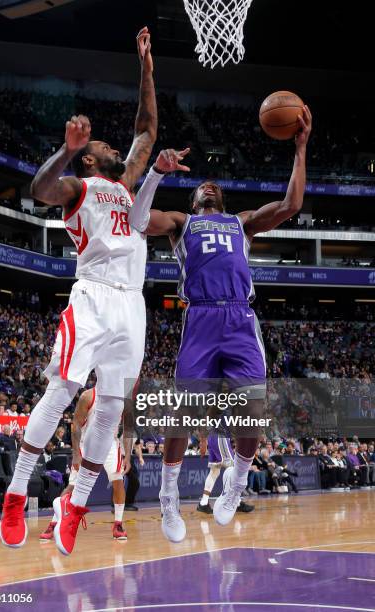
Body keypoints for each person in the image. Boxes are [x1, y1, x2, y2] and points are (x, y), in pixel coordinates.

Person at [0, 27, 157, 555]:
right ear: (90, 159)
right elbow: (39, 189)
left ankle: (77, 506)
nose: (114, 146)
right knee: (63, 390)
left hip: (132, 305)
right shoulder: (80, 185)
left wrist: (147, 66)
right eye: (102, 145)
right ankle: (18, 490)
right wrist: (65, 152)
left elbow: (146, 130)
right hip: (92, 294)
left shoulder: (127, 184)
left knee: (110, 408)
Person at [127, 105, 312, 541]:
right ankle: (169, 498)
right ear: (193, 200)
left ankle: (237, 483)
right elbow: (136, 221)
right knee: (184, 413)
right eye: (201, 186)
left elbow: (292, 204)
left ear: (222, 200)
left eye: (214, 186)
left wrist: (300, 149)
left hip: (240, 318)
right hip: (201, 317)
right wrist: (156, 173)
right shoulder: (181, 223)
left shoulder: (241, 223)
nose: (208, 187)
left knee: (253, 414)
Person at [40, 387, 130, 542]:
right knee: (72, 485)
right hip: (86, 444)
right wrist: (75, 454)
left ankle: (118, 524)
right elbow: (75, 425)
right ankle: (54, 523)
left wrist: (127, 455)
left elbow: (129, 429)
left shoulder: (123, 398)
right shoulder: (88, 396)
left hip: (110, 444)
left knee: (118, 481)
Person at [197, 434, 255, 514]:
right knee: (233, 468)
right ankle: (237, 503)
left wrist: (203, 440)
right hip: (221, 437)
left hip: (212, 438)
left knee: (214, 471)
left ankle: (203, 502)